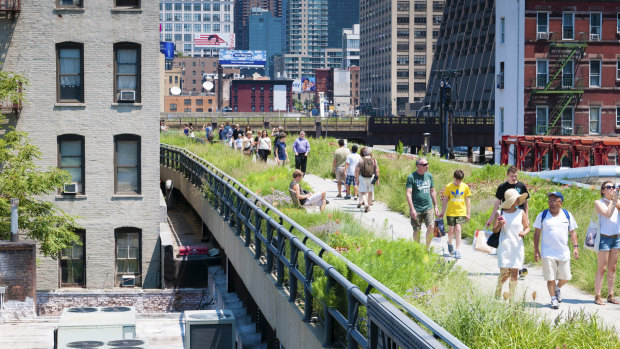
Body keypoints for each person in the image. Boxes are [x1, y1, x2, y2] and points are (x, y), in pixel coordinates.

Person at [533, 191, 579, 310]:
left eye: (554, 200)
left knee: (566, 277)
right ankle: (553, 298)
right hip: (547, 252)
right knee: (550, 277)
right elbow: (537, 233)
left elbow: (572, 232)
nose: (551, 203)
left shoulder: (567, 215)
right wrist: (536, 250)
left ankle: (557, 288)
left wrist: (575, 247)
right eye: (550, 200)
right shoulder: (542, 215)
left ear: (560, 203)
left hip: (563, 252)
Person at [493, 189, 530, 300]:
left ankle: (511, 299)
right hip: (505, 246)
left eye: (518, 198)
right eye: (516, 199)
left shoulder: (521, 212)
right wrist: (499, 225)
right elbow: (494, 230)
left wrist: (524, 232)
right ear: (510, 200)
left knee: (514, 274)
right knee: (504, 274)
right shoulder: (500, 213)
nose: (518, 200)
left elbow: (527, 227)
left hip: (517, 247)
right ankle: (498, 291)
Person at [593, 181, 620, 305]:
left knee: (612, 268)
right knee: (602, 268)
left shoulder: (617, 202)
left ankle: (610, 294)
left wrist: (616, 200)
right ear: (603, 190)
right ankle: (598, 295)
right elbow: (608, 214)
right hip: (604, 238)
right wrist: (614, 201)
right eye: (608, 187)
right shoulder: (599, 202)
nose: (611, 189)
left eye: (613, 187)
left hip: (616, 238)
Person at [406, 157, 438, 249]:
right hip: (416, 209)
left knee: (431, 226)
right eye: (424, 165)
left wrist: (435, 206)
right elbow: (408, 193)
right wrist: (412, 209)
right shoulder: (411, 177)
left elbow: (432, 191)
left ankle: (427, 248)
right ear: (418, 166)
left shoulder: (429, 176)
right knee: (417, 230)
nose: (426, 166)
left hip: (428, 207)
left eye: (427, 164)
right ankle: (417, 249)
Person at [438, 170, 471, 259]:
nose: (458, 182)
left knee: (458, 229)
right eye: (457, 180)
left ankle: (457, 250)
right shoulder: (449, 186)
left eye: (460, 181)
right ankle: (450, 242)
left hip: (461, 212)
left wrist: (468, 213)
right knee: (451, 230)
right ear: (454, 178)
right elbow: (445, 200)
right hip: (451, 212)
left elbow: (468, 200)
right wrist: (442, 211)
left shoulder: (465, 187)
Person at [355, 147, 379, 213]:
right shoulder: (374, 160)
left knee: (363, 192)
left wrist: (356, 178)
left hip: (362, 177)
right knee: (370, 192)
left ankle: (365, 204)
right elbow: (377, 170)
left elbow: (357, 169)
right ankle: (369, 206)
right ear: (370, 153)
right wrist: (377, 180)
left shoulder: (361, 160)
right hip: (372, 177)